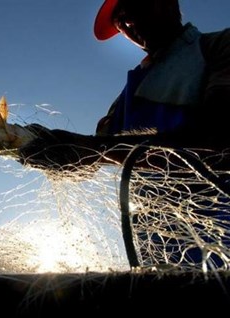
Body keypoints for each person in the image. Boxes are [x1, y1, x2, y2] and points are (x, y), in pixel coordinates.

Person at [18, 0, 230, 269]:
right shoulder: (126, 96)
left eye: (135, 6)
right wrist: (43, 147)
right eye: (121, 21)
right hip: (154, 255)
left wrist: (95, 149)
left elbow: (219, 141)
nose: (129, 24)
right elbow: (89, 159)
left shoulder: (218, 47)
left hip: (221, 235)